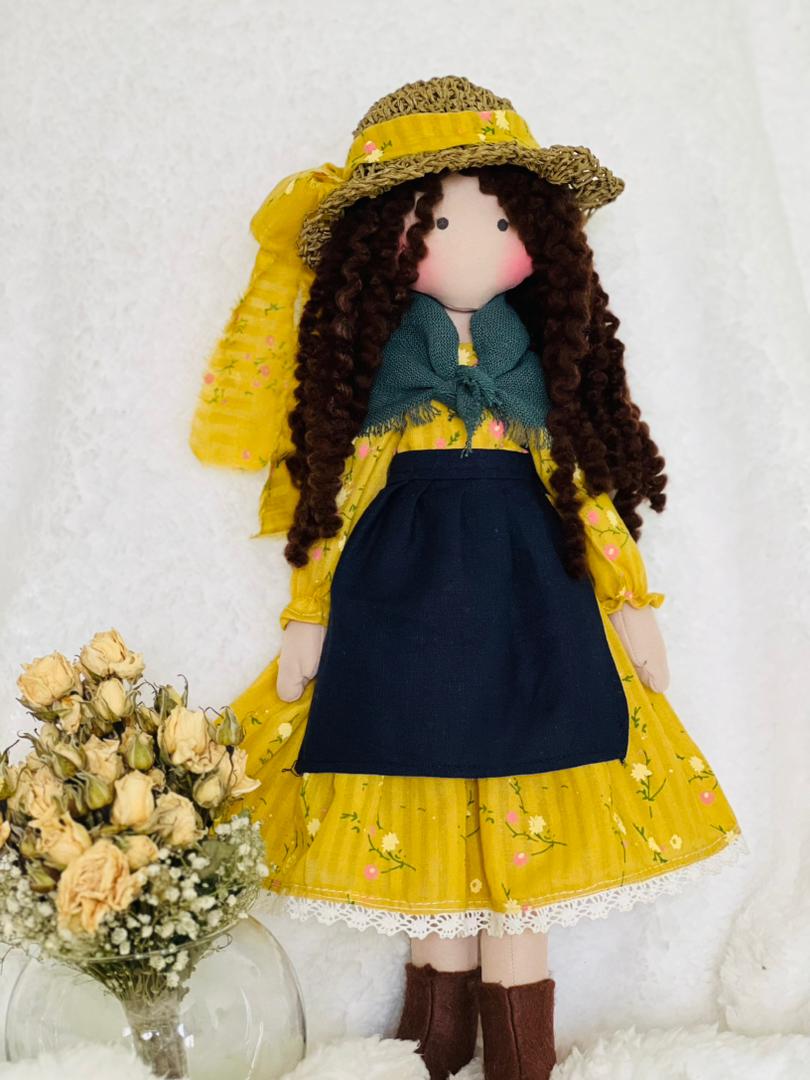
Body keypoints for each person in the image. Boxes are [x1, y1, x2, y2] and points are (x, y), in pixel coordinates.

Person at [189, 75, 746, 1080]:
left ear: (536, 236)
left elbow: (586, 494)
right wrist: (308, 617)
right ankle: (430, 1044)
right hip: (400, 613)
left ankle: (522, 1053)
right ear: (388, 241)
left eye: (500, 218)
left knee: (530, 814)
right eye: (442, 221)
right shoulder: (377, 381)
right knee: (418, 792)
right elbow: (337, 503)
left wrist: (630, 602)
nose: (478, 241)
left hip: (535, 613)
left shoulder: (540, 371)